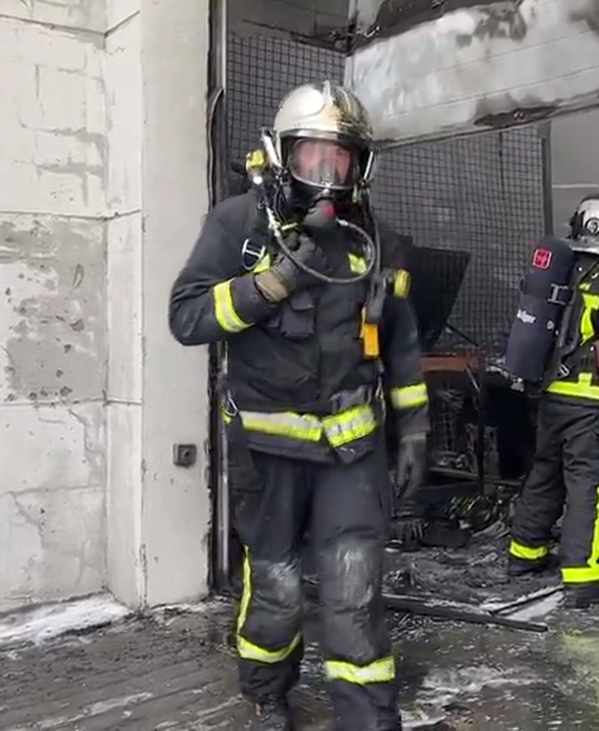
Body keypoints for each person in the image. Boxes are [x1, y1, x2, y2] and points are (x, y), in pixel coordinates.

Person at [168, 81, 428, 731]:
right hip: (267, 452)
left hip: (352, 455)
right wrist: (268, 285)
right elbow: (187, 315)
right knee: (278, 586)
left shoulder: (379, 244)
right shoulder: (239, 225)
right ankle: (267, 691)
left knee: (354, 591)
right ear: (282, 155)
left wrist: (416, 430)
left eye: (340, 158)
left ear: (360, 166)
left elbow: (401, 343)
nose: (326, 172)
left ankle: (368, 716)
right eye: (312, 155)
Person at [506, 188, 599, 608]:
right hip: (590, 402)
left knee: (546, 472)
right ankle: (585, 578)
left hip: (553, 396)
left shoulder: (564, 272)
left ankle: (525, 554)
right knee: (588, 482)